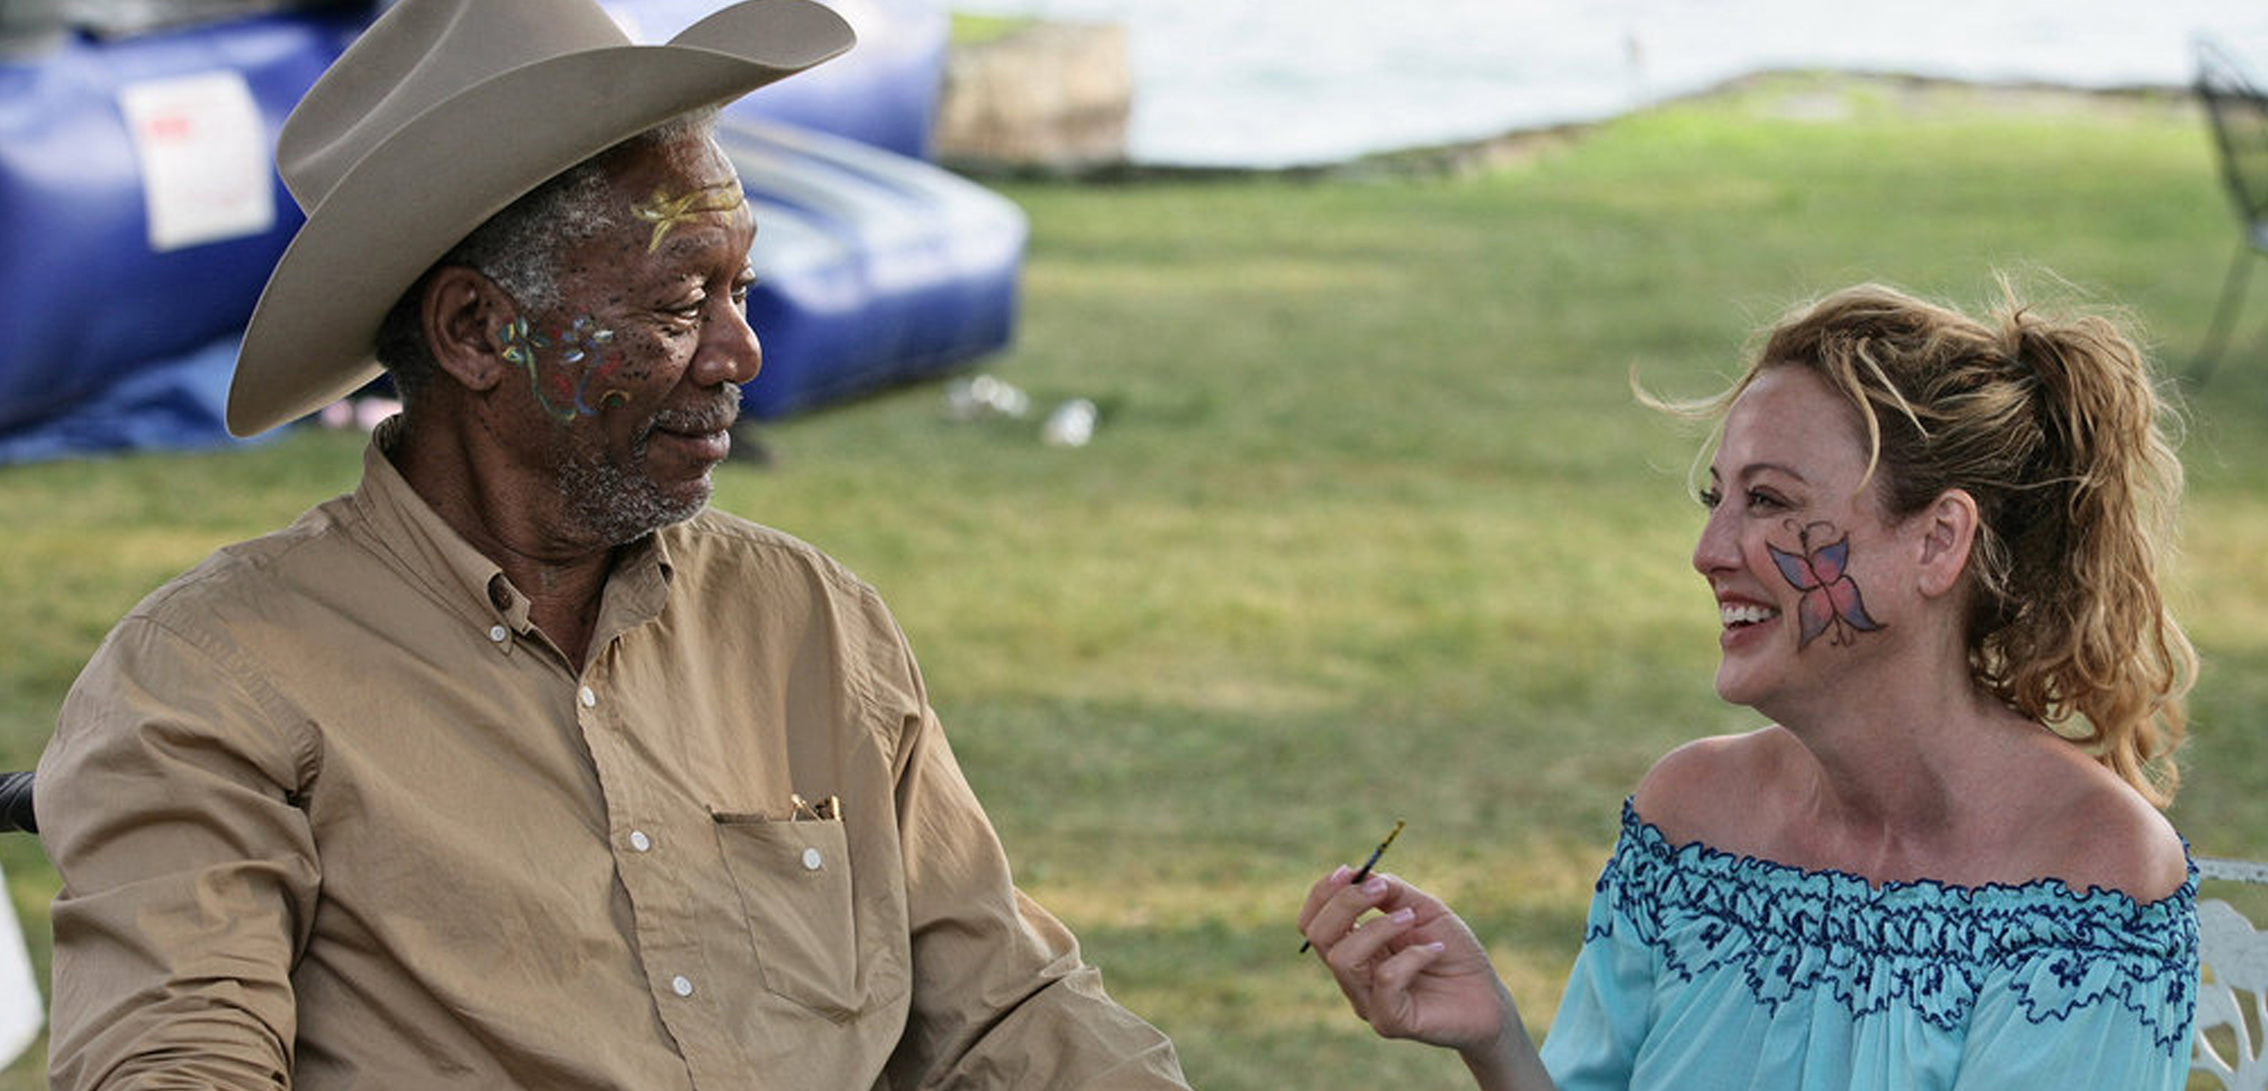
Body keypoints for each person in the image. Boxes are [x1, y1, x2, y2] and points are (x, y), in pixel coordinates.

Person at [33, 1, 1189, 1087]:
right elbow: (177, 1054)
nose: (741, 354)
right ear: (479, 331)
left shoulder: (807, 618)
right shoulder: (217, 673)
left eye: (744, 287)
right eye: (682, 303)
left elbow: (1002, 1003)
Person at [1296, 281, 2200, 1090]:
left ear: (1936, 541)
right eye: (1716, 499)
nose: (1710, 551)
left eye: (1767, 501)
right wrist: (1492, 1033)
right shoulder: (1692, 818)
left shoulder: (2090, 877)